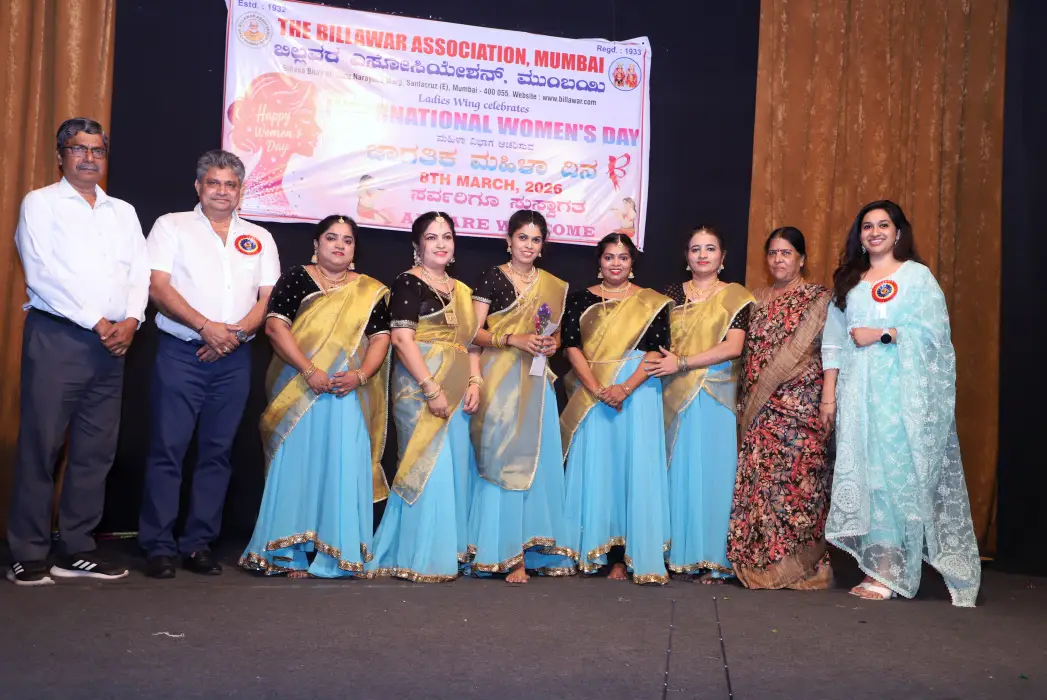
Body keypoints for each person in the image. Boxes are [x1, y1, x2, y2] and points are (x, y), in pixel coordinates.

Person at [7, 117, 148, 586]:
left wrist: (132, 320)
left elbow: (140, 273)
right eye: (78, 149)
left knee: (95, 451)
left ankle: (76, 548)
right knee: (41, 447)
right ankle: (27, 551)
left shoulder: (122, 211)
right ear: (60, 155)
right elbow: (41, 273)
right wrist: (98, 322)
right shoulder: (41, 203)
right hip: (59, 339)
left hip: (113, 345)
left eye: (97, 150)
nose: (89, 158)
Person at [823, 200, 981, 606]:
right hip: (858, 396)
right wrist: (828, 396)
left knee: (892, 477)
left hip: (901, 397)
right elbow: (833, 343)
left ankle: (888, 570)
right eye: (867, 226)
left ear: (897, 233)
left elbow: (935, 335)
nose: (875, 232)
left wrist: (883, 333)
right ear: (859, 236)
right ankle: (879, 564)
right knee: (868, 477)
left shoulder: (916, 277)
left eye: (883, 225)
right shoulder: (850, 281)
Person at [139, 149, 280, 579]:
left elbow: (269, 298)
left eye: (230, 184)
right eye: (213, 183)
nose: (222, 191)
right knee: (168, 449)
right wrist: (205, 327)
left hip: (234, 358)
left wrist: (232, 336)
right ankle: (158, 545)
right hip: (181, 354)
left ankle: (198, 543)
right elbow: (157, 287)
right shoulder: (171, 226)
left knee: (217, 453)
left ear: (241, 192)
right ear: (198, 186)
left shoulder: (259, 236)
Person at [239, 216, 392, 577]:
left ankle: (338, 552)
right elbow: (275, 327)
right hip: (299, 390)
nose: (339, 245)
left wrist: (359, 375)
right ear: (316, 244)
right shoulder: (297, 278)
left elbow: (381, 338)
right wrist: (309, 371)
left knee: (342, 467)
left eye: (347, 241)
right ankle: (288, 553)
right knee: (298, 466)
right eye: (331, 238)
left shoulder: (369, 289)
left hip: (345, 394)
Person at [367, 211, 482, 582]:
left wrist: (475, 381)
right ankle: (418, 555)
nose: (441, 244)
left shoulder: (463, 290)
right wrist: (430, 387)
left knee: (454, 468)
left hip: (459, 391)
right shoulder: (408, 282)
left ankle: (448, 551)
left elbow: (472, 343)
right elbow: (402, 340)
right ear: (417, 246)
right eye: (432, 237)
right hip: (420, 390)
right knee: (426, 467)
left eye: (447, 236)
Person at [560, 233, 673, 584]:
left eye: (623, 258)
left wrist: (624, 388)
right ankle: (593, 551)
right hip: (593, 392)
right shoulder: (580, 299)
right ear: (599, 261)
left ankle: (630, 556)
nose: (616, 264)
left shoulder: (651, 302)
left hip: (638, 393)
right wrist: (598, 389)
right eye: (609, 257)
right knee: (599, 468)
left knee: (634, 469)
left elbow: (657, 350)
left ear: (632, 262)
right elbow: (571, 347)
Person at [468, 210, 574, 582]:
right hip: (500, 380)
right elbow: (472, 332)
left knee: (539, 459)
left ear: (543, 246)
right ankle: (504, 552)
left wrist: (551, 343)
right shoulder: (491, 277)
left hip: (538, 381)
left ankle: (535, 549)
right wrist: (512, 338)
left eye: (535, 239)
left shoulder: (552, 285)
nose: (528, 245)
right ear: (508, 240)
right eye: (522, 237)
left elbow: (556, 335)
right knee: (504, 459)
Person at [726, 227, 834, 590]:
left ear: (802, 259)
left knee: (799, 486)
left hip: (800, 406)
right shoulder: (754, 299)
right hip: (758, 408)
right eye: (772, 253)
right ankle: (762, 566)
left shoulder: (819, 300)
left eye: (786, 253)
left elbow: (832, 352)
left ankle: (805, 569)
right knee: (761, 487)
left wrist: (828, 397)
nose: (778, 260)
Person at [645, 226, 754, 583]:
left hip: (715, 394)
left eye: (710, 248)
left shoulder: (736, 296)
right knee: (675, 470)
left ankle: (713, 559)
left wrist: (684, 362)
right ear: (687, 256)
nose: (702, 255)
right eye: (695, 249)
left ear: (723, 258)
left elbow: (734, 347)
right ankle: (674, 553)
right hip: (673, 392)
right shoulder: (671, 295)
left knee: (714, 474)